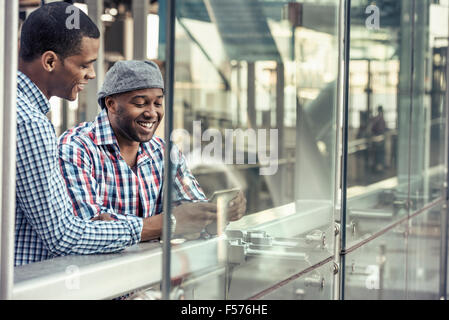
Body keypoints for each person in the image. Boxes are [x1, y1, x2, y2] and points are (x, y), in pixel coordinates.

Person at [58, 60, 246, 242]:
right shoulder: (75, 149)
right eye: (140, 103)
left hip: (151, 270)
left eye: (157, 103)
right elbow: (87, 230)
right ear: (111, 104)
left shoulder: (164, 152)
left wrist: (218, 216)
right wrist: (170, 222)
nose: (151, 113)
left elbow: (192, 216)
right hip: (91, 272)